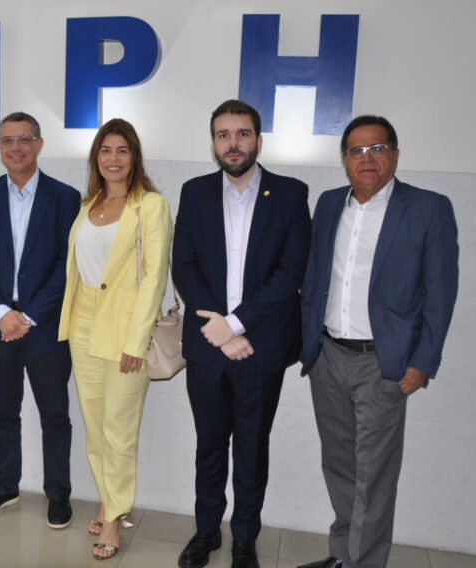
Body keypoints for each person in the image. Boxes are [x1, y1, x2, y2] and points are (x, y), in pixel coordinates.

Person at [296, 116, 459, 568]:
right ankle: (341, 556)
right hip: (328, 356)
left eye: (377, 148)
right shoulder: (330, 203)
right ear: (344, 160)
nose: (366, 158)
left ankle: (363, 563)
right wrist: (309, 344)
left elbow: (440, 294)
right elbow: (315, 277)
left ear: (395, 155)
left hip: (383, 364)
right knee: (339, 466)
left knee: (374, 476)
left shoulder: (428, 209)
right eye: (356, 151)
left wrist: (422, 361)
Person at [172, 99, 312, 568]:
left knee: (252, 447)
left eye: (242, 133)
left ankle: (245, 538)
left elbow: (291, 273)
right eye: (223, 135)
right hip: (208, 346)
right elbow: (184, 266)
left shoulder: (290, 194)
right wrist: (220, 331)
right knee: (210, 445)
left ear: (258, 140)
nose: (233, 143)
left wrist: (234, 325)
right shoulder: (194, 192)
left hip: (261, 346)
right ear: (213, 142)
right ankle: (206, 530)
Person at [57, 118, 173, 560]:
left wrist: (135, 340)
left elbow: (154, 278)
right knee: (95, 427)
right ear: (96, 158)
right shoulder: (89, 204)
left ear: (135, 156)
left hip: (126, 329)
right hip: (82, 323)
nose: (113, 158)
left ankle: (115, 518)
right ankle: (108, 498)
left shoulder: (151, 206)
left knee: (119, 430)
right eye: (105, 150)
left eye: (122, 150)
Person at [0, 112, 81, 527]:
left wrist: (28, 316)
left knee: (55, 416)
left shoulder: (65, 197)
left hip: (45, 326)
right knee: (2, 413)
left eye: (24, 139)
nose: (16, 147)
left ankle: (58, 493)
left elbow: (67, 265)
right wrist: (1, 314)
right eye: (7, 140)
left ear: (39, 144)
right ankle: (5, 487)